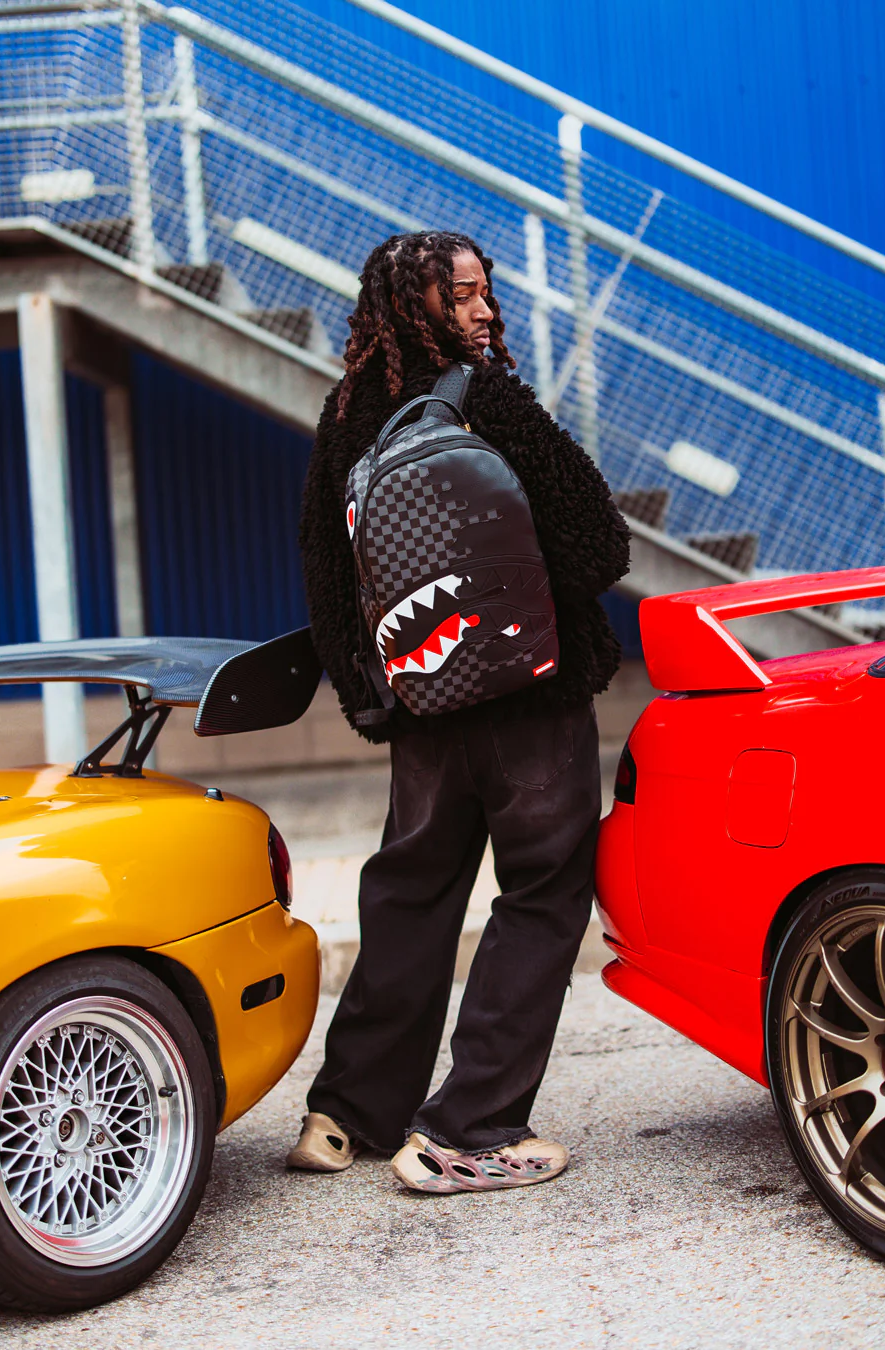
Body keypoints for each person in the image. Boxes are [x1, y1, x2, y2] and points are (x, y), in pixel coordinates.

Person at [289, 231, 630, 1193]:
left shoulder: (348, 414)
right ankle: (468, 1129)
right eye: (464, 295)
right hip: (532, 701)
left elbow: (326, 572)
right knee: (543, 891)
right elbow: (599, 545)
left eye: (485, 292)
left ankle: (345, 1117)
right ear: (419, 306)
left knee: (411, 892)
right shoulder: (488, 398)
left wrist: (377, 696)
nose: (484, 311)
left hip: (424, 708)